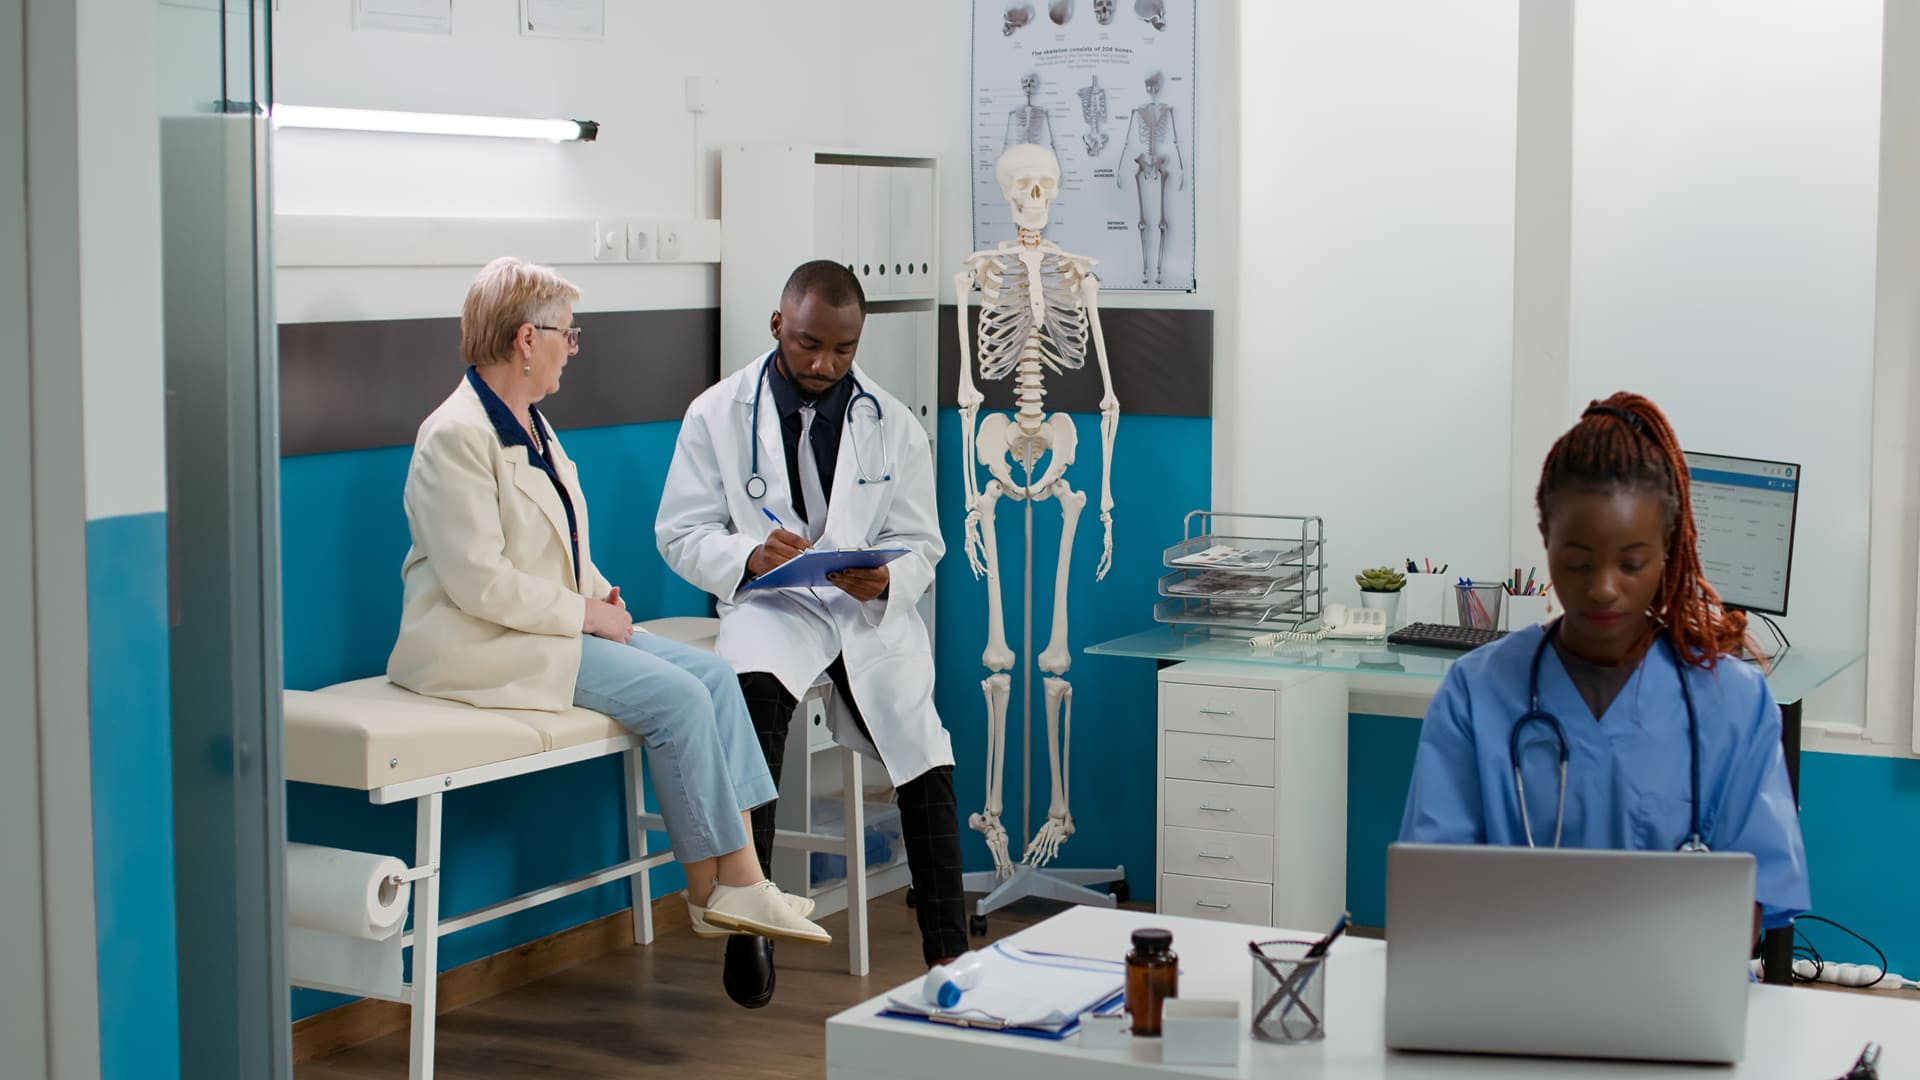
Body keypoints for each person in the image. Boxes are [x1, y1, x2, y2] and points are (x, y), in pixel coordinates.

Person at [386, 256, 829, 1002]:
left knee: (715, 677)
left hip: (549, 625)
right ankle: (724, 891)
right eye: (568, 333)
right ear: (527, 338)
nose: (574, 346)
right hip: (480, 644)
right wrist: (582, 613)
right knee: (677, 701)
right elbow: (477, 581)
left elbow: (557, 542)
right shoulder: (453, 438)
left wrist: (598, 593)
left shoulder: (530, 424)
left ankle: (734, 886)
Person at [657, 260, 966, 1006]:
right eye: (807, 346)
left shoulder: (893, 423)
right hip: (774, 607)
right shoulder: (716, 413)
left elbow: (924, 541)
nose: (824, 365)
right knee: (752, 698)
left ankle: (950, 958)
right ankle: (748, 921)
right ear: (777, 327)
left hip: (864, 614)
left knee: (924, 756)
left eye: (843, 350)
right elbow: (680, 532)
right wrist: (747, 554)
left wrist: (888, 578)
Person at [1398, 392, 1809, 939]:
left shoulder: (1733, 701)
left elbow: (1755, 895)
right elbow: (1434, 886)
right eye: (1577, 562)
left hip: (1676, 1006)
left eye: (1632, 563)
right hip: (1513, 1000)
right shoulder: (1477, 692)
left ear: (1669, 547)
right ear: (1546, 541)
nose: (1603, 589)